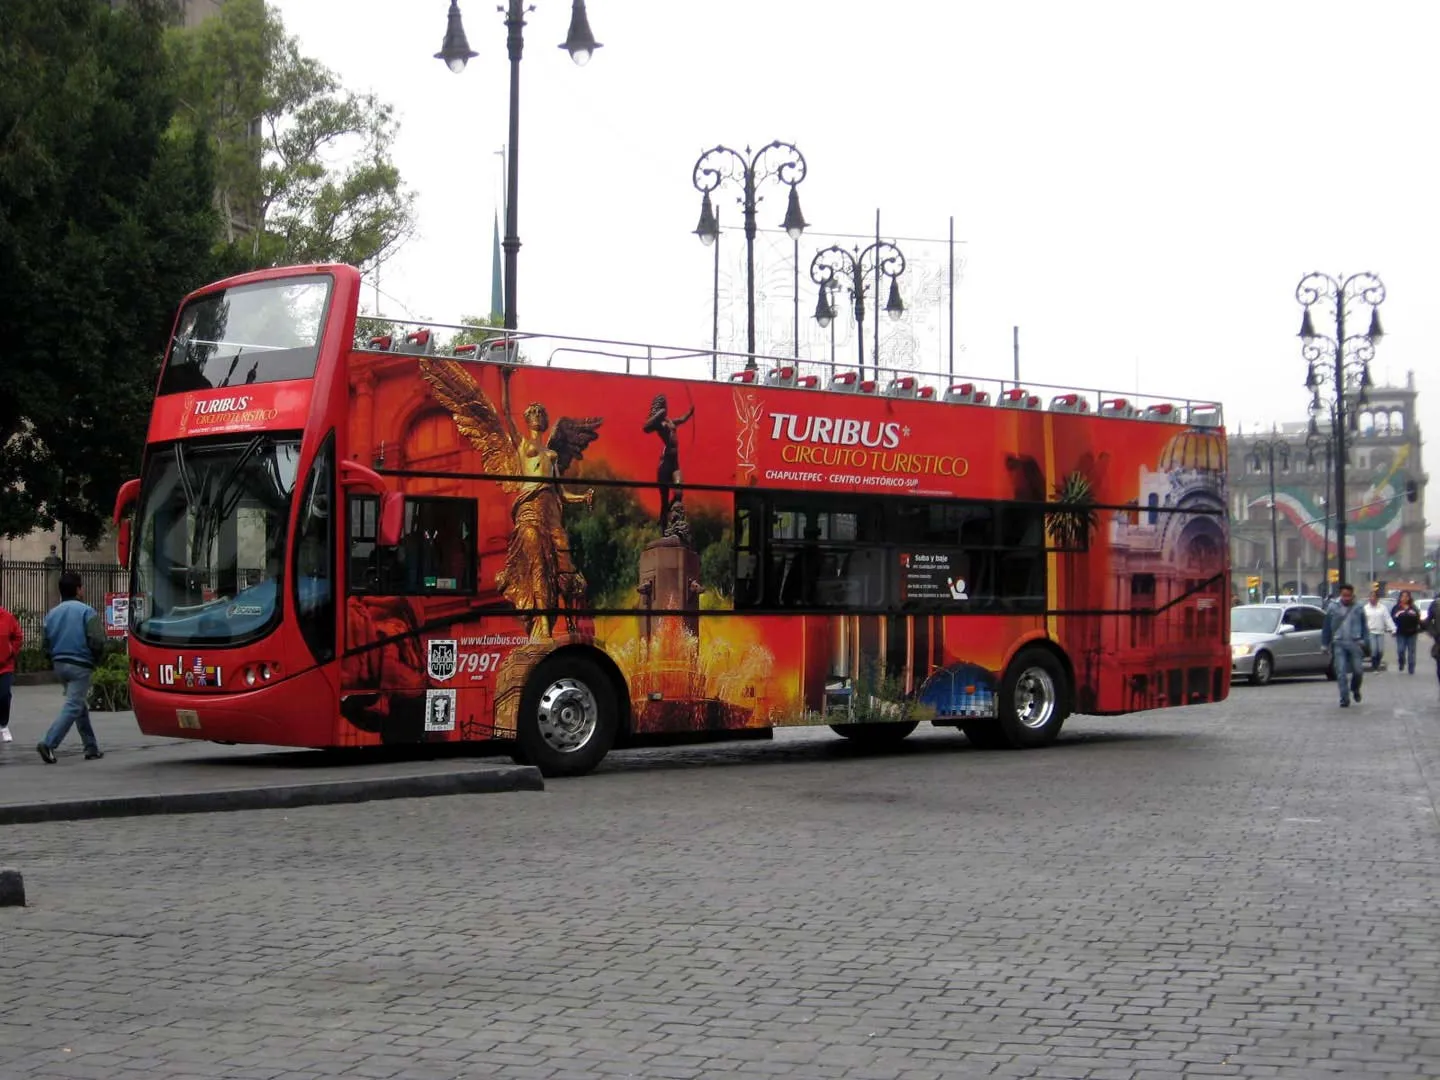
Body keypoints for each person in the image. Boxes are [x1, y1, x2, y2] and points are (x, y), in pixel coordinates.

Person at [36, 571, 106, 763]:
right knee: (74, 705)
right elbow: (97, 640)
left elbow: (45, 644)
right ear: (78, 590)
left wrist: (52, 659)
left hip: (60, 664)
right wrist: (96, 658)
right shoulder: (87, 611)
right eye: (81, 587)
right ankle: (48, 743)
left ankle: (91, 747)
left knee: (78, 704)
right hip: (80, 664)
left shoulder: (51, 614)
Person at [1321, 583, 1367, 708]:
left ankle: (1355, 688)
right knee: (1341, 672)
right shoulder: (1332, 607)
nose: (1346, 598)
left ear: (1352, 595)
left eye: (1348, 596)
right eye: (1344, 595)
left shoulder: (1358, 607)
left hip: (1355, 642)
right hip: (1339, 642)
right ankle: (1344, 698)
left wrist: (1365, 641)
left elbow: (1364, 626)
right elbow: (1327, 626)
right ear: (1340, 595)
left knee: (1358, 670)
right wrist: (1324, 644)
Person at [0, 596, 23, 743]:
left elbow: (18, 636)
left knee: (4, 695)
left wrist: (11, 651)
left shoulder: (7, 617)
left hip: (4, 666)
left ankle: (3, 725)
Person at [1362, 587, 1396, 672]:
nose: (1372, 598)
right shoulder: (1365, 608)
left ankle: (1377, 662)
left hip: (1380, 631)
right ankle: (1375, 667)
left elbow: (1387, 619)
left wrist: (1393, 629)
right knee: (1374, 650)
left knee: (1380, 651)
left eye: (1374, 597)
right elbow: (1362, 621)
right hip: (1371, 632)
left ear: (1377, 598)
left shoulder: (1382, 608)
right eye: (1371, 597)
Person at [1391, 590, 1423, 676]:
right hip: (1400, 633)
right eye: (1403, 596)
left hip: (1412, 633)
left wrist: (1421, 627)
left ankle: (1411, 667)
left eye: (1406, 596)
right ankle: (1401, 662)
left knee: (1411, 651)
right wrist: (1392, 629)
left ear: (1409, 598)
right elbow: (1392, 619)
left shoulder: (1413, 608)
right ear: (1400, 598)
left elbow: (1418, 619)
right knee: (1400, 650)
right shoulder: (1396, 608)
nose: (1404, 598)